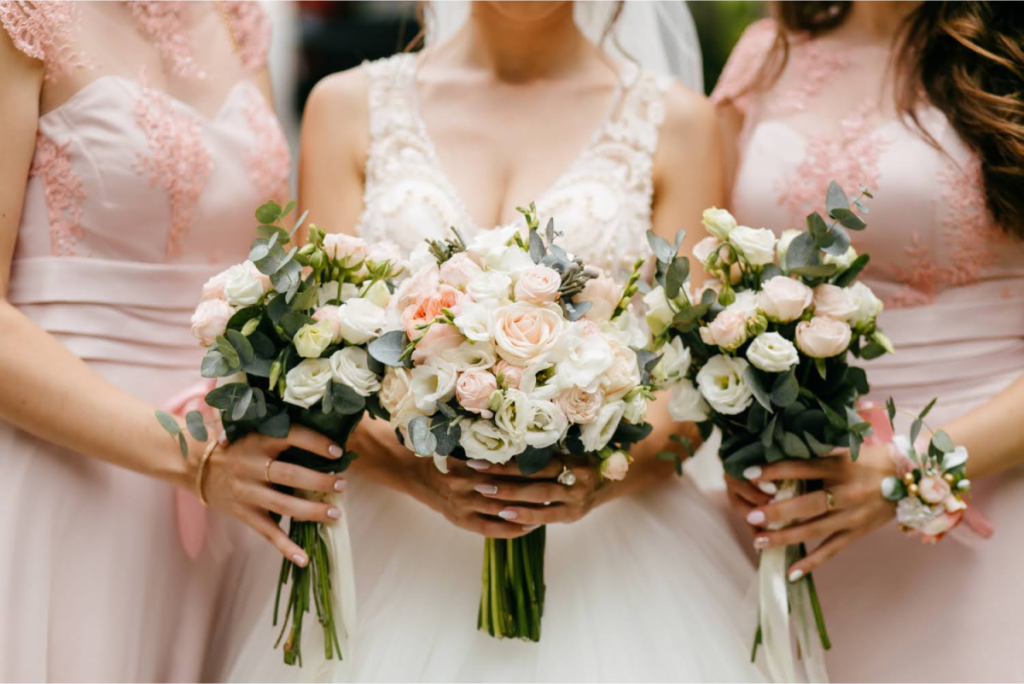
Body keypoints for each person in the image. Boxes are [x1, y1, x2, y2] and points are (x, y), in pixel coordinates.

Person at [218, 0, 768, 682]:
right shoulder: (346, 106)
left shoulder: (681, 122)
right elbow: (322, 354)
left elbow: (687, 394)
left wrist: (593, 481)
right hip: (392, 545)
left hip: (613, 560)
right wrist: (416, 472)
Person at [0, 1, 345, 681]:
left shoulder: (239, 17)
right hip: (73, 472)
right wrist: (193, 457)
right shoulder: (21, 16)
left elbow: (269, 262)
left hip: (237, 486)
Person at [715, 0, 1024, 680]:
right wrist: (738, 441)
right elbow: (711, 282)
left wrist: (907, 470)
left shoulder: (1012, 52)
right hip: (792, 518)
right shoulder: (766, 51)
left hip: (990, 502)